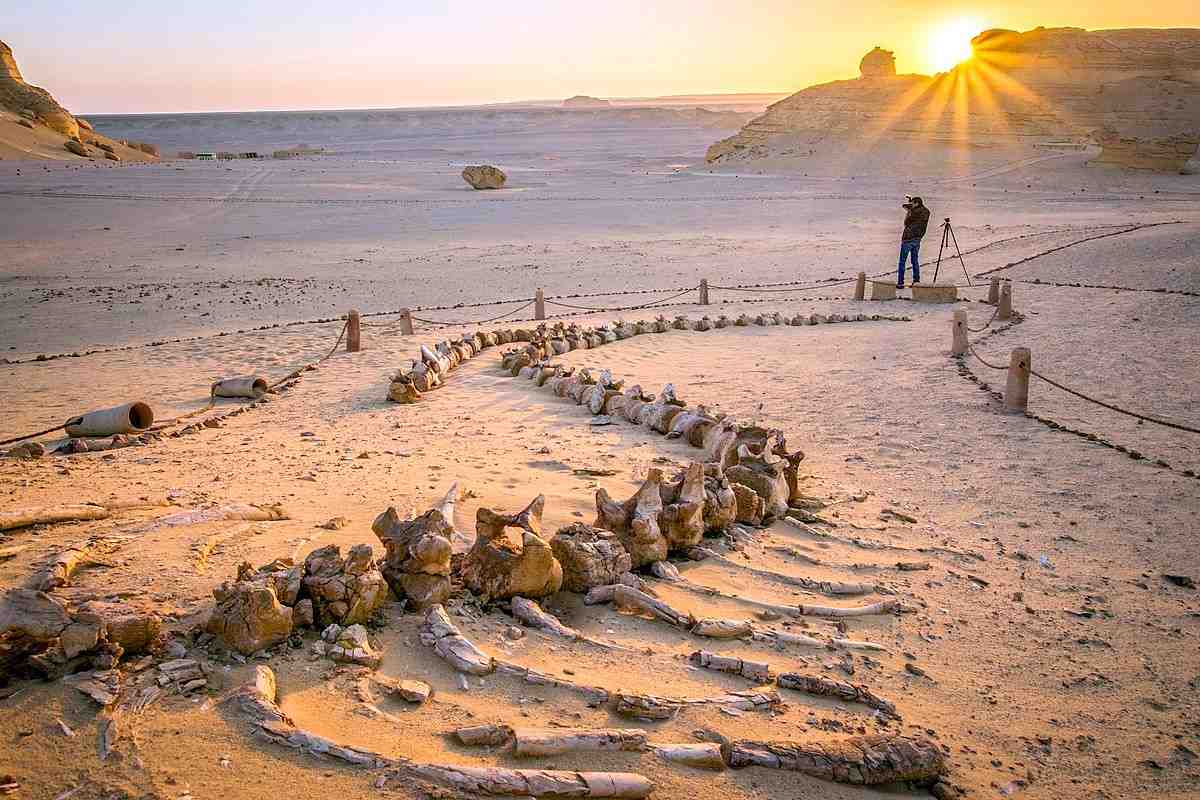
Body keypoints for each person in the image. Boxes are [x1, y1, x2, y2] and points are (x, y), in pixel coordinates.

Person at [897, 196, 930, 288]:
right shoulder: (926, 211)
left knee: (902, 262)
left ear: (916, 203)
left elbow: (906, 222)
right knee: (915, 261)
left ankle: (900, 283)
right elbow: (907, 206)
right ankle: (916, 281)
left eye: (913, 203)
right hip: (917, 239)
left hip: (908, 239)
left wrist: (909, 211)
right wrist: (911, 205)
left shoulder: (913, 212)